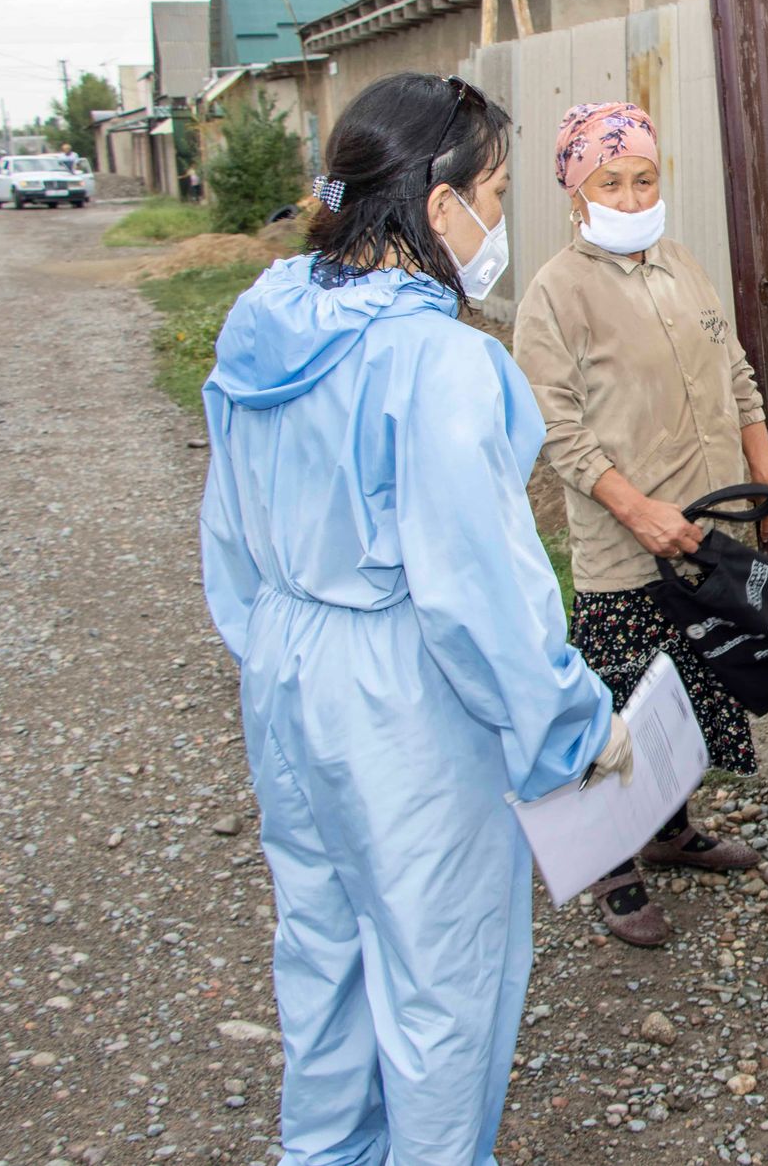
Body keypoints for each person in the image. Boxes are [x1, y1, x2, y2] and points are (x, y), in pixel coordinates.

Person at [198, 72, 632, 1163]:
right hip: (401, 691)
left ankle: (327, 1149)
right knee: (441, 977)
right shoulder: (440, 361)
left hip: (287, 662)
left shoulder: (264, 318)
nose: (498, 218)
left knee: (323, 950)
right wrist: (573, 727)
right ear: (439, 206)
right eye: (493, 192)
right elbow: (480, 593)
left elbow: (228, 530)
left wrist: (277, 645)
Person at [513, 101, 768, 949]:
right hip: (626, 545)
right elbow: (555, 427)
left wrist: (765, 462)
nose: (632, 198)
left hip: (708, 530)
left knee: (691, 690)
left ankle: (669, 829)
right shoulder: (555, 292)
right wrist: (637, 509)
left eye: (644, 179)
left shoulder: (681, 265)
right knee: (619, 704)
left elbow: (734, 368)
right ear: (576, 193)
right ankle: (611, 863)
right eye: (611, 183)